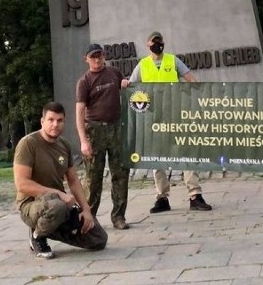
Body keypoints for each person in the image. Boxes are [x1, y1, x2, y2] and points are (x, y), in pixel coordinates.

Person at [129, 30, 213, 213]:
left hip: (176, 113)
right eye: (153, 41)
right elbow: (131, 87)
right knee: (156, 156)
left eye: (159, 41)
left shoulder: (173, 60)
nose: (157, 44)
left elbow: (191, 79)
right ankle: (162, 198)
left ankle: (195, 195)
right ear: (148, 44)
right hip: (154, 117)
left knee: (186, 151)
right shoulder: (142, 65)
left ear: (163, 43)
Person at [14, 101, 108, 259]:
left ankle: (48, 227)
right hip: (31, 204)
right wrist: (59, 194)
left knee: (98, 239)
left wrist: (86, 211)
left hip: (59, 205)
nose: (55, 124)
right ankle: (37, 236)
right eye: (50, 120)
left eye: (59, 120)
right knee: (57, 207)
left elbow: (73, 181)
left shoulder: (64, 145)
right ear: (42, 121)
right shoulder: (28, 144)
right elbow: (22, 184)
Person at [75, 43, 130, 230]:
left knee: (120, 173)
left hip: (116, 128)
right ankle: (90, 217)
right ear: (86, 59)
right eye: (93, 57)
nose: (97, 60)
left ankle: (119, 216)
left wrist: (125, 84)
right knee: (93, 177)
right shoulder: (84, 81)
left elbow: (126, 88)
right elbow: (79, 111)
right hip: (94, 130)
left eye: (99, 56)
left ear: (104, 56)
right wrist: (83, 140)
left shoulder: (114, 72)